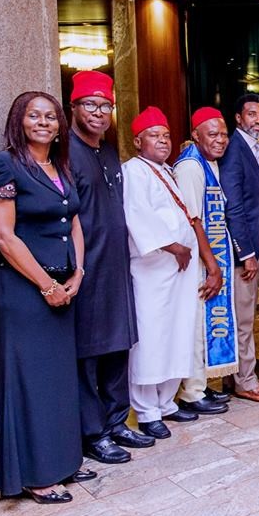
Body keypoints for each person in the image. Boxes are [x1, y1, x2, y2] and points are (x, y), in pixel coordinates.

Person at [0, 91, 92, 503]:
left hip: (64, 287)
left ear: (60, 125)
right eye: (33, 115)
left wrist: (77, 272)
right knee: (31, 383)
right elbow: (4, 237)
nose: (43, 122)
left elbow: (74, 222)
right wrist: (47, 285)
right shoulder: (2, 165)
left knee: (58, 383)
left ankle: (63, 462)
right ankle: (35, 475)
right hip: (25, 292)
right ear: (19, 121)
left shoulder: (60, 165)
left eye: (50, 116)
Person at [67, 71, 151, 465]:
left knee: (119, 345)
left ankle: (117, 421)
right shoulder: (65, 152)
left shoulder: (110, 151)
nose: (99, 113)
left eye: (105, 106)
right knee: (89, 353)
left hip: (117, 266)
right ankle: (93, 432)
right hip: (86, 269)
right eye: (90, 105)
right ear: (74, 106)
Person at [122, 107, 201, 439]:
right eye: (154, 135)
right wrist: (175, 247)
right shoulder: (133, 171)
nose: (163, 141)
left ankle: (166, 402)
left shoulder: (166, 171)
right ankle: (146, 410)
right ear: (138, 141)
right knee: (152, 338)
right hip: (153, 271)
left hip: (178, 272)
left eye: (166, 135)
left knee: (177, 332)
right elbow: (138, 217)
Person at [174, 108, 236, 416]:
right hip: (198, 260)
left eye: (223, 134)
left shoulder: (209, 163)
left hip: (209, 254)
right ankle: (191, 392)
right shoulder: (190, 167)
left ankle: (201, 386)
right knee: (197, 324)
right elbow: (193, 220)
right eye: (212, 134)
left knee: (205, 322)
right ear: (196, 135)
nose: (220, 140)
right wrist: (212, 265)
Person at [219, 94, 259, 403]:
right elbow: (234, 205)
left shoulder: (254, 147)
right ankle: (246, 380)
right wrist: (246, 253)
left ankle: (236, 374)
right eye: (252, 114)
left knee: (242, 315)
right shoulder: (234, 150)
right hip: (240, 249)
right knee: (244, 317)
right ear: (239, 119)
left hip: (251, 244)